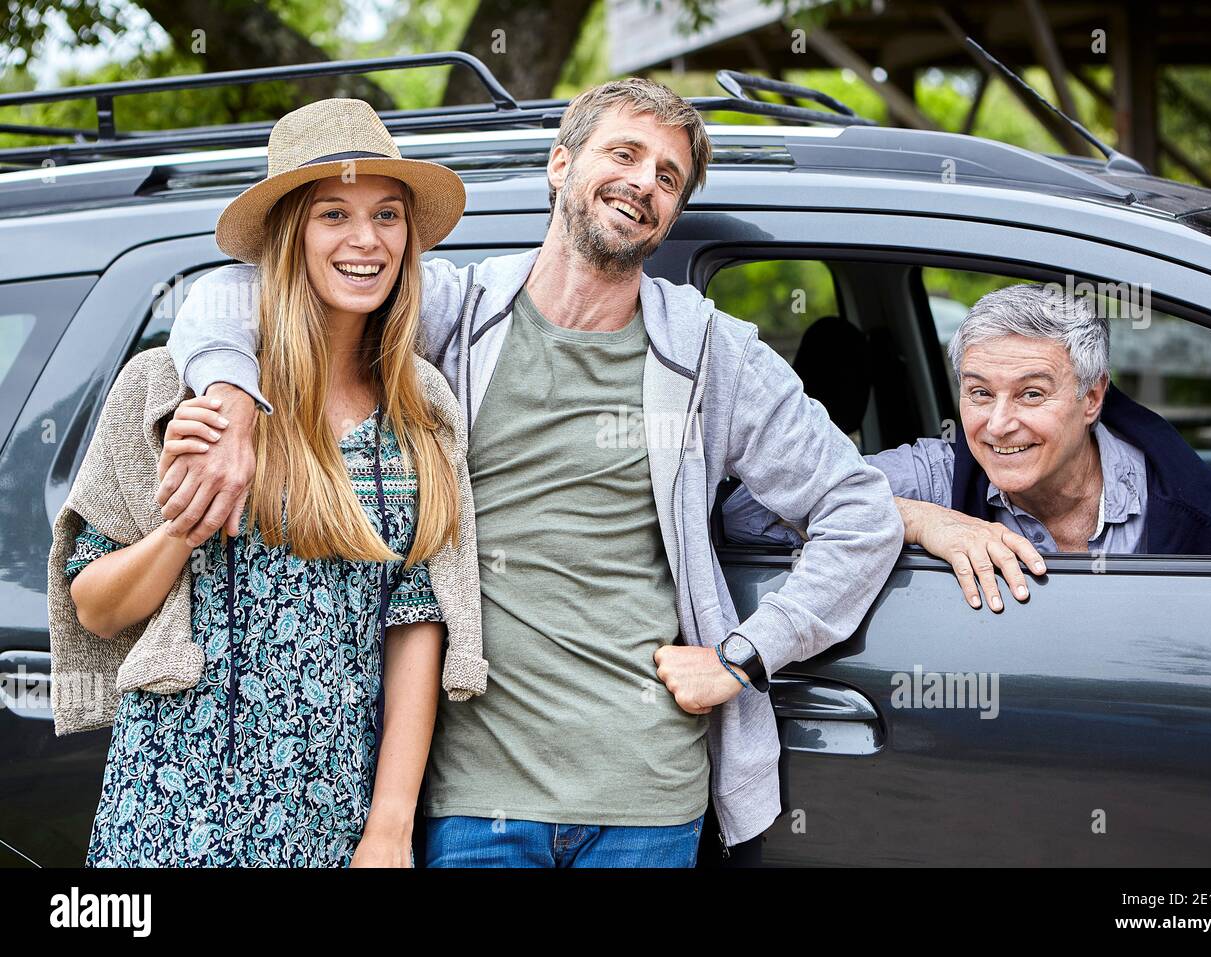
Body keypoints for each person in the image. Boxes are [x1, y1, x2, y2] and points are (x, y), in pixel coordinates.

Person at [158, 79, 905, 867]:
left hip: (646, 799)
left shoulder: (712, 353)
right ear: (560, 164)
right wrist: (232, 393)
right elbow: (238, 289)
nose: (644, 182)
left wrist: (743, 655)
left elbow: (859, 507)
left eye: (668, 177)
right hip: (478, 799)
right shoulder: (458, 310)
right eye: (624, 153)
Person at [46, 98, 486, 867]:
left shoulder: (423, 411)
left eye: (387, 214)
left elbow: (416, 626)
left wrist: (388, 827)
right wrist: (186, 520)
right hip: (173, 811)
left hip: (332, 812)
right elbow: (95, 608)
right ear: (289, 235)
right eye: (333, 215)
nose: (365, 240)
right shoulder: (171, 391)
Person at [725, 283, 1211, 612]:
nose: (999, 425)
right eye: (980, 393)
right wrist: (914, 519)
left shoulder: (1186, 502)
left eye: (1031, 394)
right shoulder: (937, 475)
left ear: (1091, 398)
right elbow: (745, 514)